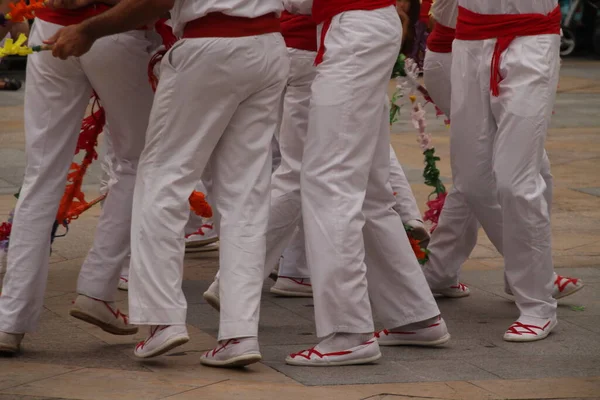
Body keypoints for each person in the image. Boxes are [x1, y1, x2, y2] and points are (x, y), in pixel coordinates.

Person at [47, 0, 289, 367]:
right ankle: (239, 333)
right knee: (245, 194)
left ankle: (163, 319)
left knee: (162, 179)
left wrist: (88, 29)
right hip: (269, 45)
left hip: (210, 46)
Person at [252, 0, 448, 367]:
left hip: (354, 25)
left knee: (329, 181)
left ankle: (349, 332)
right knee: (368, 190)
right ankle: (414, 315)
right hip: (361, 24)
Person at [0, 1, 157, 354]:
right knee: (140, 161)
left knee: (41, 173)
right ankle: (97, 287)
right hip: (112, 29)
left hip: (51, 27)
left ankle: (9, 320)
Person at [422, 0, 584, 302]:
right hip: (458, 51)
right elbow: (435, 17)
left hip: (518, 41)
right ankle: (534, 276)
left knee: (520, 172)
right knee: (478, 178)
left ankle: (440, 270)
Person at [448, 0, 562, 342]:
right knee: (471, 181)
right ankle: (530, 270)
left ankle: (538, 304)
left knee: (516, 180)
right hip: (469, 39)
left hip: (532, 38)